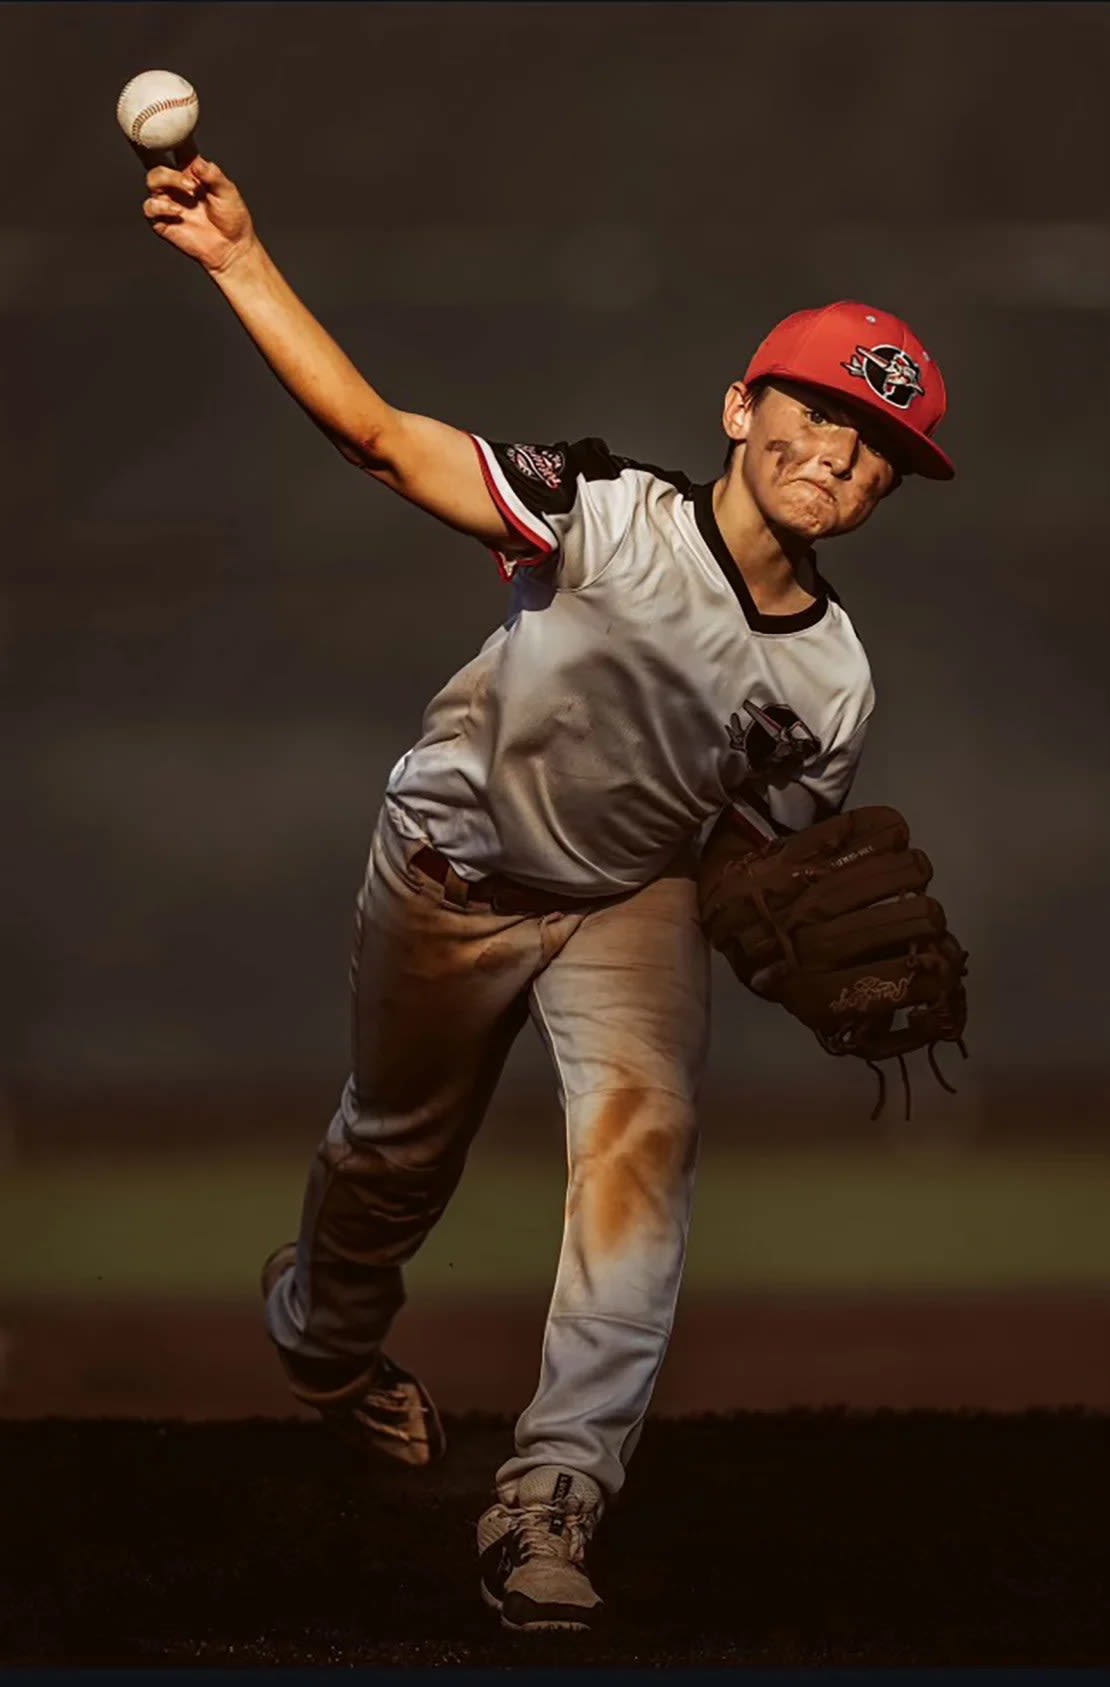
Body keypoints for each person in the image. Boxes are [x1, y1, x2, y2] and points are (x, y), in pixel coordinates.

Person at [138, 153, 954, 1634]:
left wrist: (774, 917)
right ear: (741, 409)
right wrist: (237, 259)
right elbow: (384, 444)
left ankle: (550, 1500)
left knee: (643, 1156)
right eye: (819, 411)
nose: (837, 453)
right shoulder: (604, 515)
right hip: (454, 869)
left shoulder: (834, 681)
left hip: (628, 898)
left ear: (891, 486)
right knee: (394, 1157)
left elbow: (741, 852)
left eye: (875, 442)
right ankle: (325, 1344)